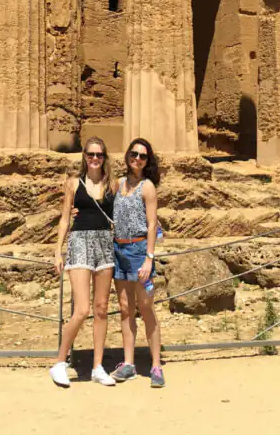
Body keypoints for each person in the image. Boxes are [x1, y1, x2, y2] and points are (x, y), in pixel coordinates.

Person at [49, 137, 117, 387]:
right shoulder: (72, 184)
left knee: (101, 308)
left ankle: (98, 366)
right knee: (82, 310)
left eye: (99, 155)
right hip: (79, 243)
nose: (95, 159)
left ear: (104, 157)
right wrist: (58, 251)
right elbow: (65, 219)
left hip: (104, 245)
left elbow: (121, 212)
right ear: (84, 156)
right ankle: (59, 362)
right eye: (91, 155)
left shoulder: (113, 185)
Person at [110, 138, 165, 388]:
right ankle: (129, 364)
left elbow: (152, 224)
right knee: (124, 307)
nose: (138, 159)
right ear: (127, 155)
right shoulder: (117, 184)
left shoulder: (148, 187)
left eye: (143, 156)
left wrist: (148, 258)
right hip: (118, 249)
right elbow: (101, 207)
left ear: (147, 161)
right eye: (134, 154)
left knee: (146, 308)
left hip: (139, 250)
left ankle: (156, 365)